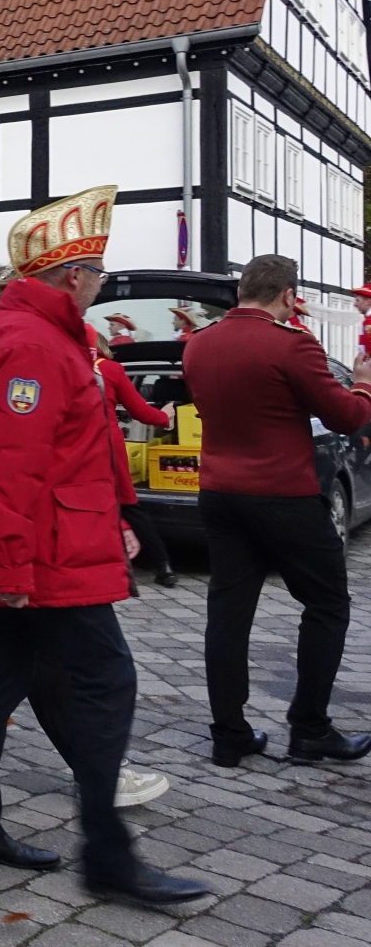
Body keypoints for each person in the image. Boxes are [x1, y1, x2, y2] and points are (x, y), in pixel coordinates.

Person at [0, 185, 206, 906]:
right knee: (108, 680)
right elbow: (8, 464)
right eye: (97, 271)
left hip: (48, 545)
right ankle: (108, 854)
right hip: (46, 555)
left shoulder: (40, 334)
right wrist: (11, 567)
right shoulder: (32, 342)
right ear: (72, 275)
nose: (100, 283)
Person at [184, 253, 371, 767]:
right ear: (288, 296)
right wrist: (363, 384)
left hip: (220, 492)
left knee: (228, 614)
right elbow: (346, 415)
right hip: (282, 493)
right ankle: (309, 727)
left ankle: (229, 734)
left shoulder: (199, 343)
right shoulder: (292, 344)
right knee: (328, 603)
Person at [89, 327, 177, 587]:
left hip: (74, 447)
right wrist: (166, 417)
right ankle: (164, 566)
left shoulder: (64, 365)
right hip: (108, 446)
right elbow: (141, 412)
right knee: (128, 503)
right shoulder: (111, 370)